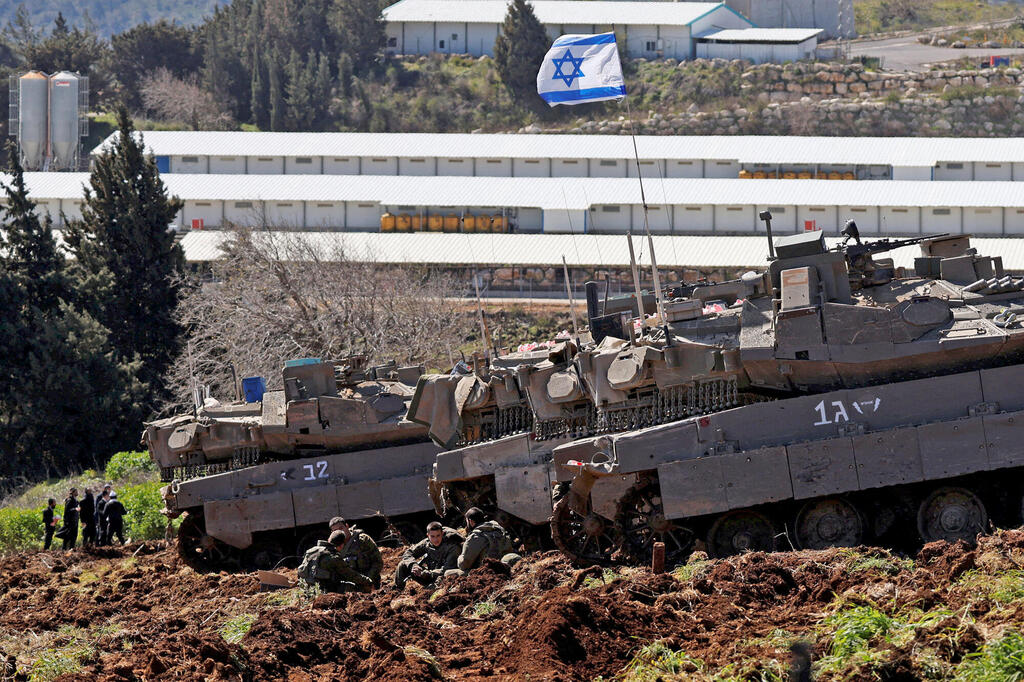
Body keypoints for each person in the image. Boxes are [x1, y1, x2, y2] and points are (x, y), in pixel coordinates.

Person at [446, 507, 520, 576]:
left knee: (447, 573)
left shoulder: (475, 536)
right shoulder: (498, 529)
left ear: (471, 521)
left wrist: (460, 556)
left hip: (487, 571)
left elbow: (464, 565)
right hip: (504, 565)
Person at [298, 530, 377, 593]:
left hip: (307, 589)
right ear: (341, 545)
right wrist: (368, 581)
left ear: (329, 540)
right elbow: (351, 575)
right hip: (323, 590)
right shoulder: (334, 557)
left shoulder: (311, 551)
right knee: (356, 587)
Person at [394, 521, 461, 590]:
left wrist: (426, 573)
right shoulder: (426, 543)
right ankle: (398, 590)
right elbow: (408, 553)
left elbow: (448, 569)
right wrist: (414, 565)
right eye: (432, 536)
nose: (435, 539)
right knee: (403, 564)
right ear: (428, 535)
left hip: (444, 577)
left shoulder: (452, 547)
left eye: (438, 535)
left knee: (432, 589)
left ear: (442, 534)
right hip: (428, 575)